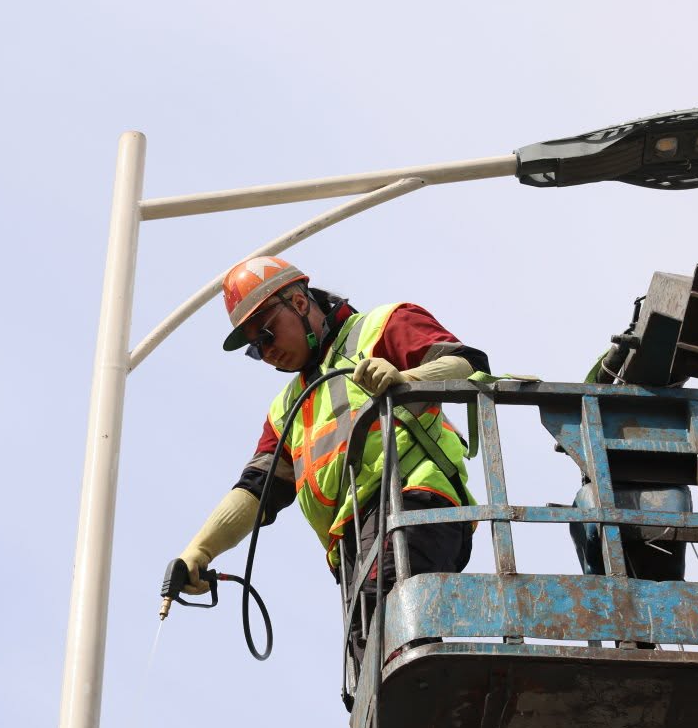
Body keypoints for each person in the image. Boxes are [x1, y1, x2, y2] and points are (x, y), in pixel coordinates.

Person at [168, 254, 487, 674]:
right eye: (255, 349)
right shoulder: (287, 410)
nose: (266, 352)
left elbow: (468, 364)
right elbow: (256, 489)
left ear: (300, 303)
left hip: (415, 502)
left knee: (386, 624)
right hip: (354, 546)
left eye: (266, 334)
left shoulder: (381, 327)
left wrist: (406, 379)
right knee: (366, 661)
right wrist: (199, 550)